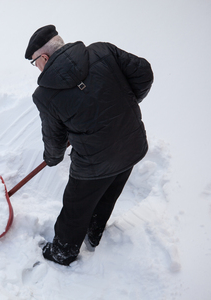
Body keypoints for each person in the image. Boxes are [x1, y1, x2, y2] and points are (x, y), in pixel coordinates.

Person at [25, 25, 154, 266]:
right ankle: (94, 233)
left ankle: (63, 252)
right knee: (109, 191)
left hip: (94, 162)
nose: (37, 68)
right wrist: (123, 105)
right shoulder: (102, 52)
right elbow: (144, 72)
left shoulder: (45, 94)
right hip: (131, 143)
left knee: (75, 207)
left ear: (44, 57)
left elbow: (55, 138)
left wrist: (52, 158)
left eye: (35, 63)